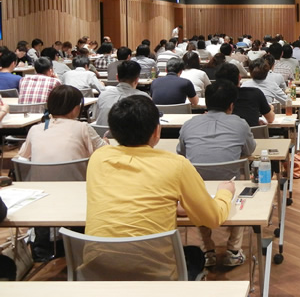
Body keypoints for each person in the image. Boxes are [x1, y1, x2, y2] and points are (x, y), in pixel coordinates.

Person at [85, 95, 234, 280]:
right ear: (157, 131)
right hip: (153, 273)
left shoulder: (99, 158)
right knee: (194, 255)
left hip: (97, 269)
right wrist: (225, 194)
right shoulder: (176, 164)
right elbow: (212, 218)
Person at [177, 79, 256, 267]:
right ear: (231, 105)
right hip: (230, 184)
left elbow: (182, 152)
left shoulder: (189, 124)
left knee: (197, 193)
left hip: (196, 185)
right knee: (242, 185)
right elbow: (249, 150)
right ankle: (234, 250)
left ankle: (207, 250)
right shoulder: (240, 124)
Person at [18, 85, 108, 161]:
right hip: (77, 181)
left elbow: (22, 157)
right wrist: (105, 141)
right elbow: (104, 152)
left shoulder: (35, 129)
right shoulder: (83, 128)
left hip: (39, 181)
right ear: (76, 108)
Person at [94, 60, 150, 126]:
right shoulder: (144, 98)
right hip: (130, 135)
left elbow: (96, 118)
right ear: (137, 80)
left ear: (117, 77)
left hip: (102, 134)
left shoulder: (103, 95)